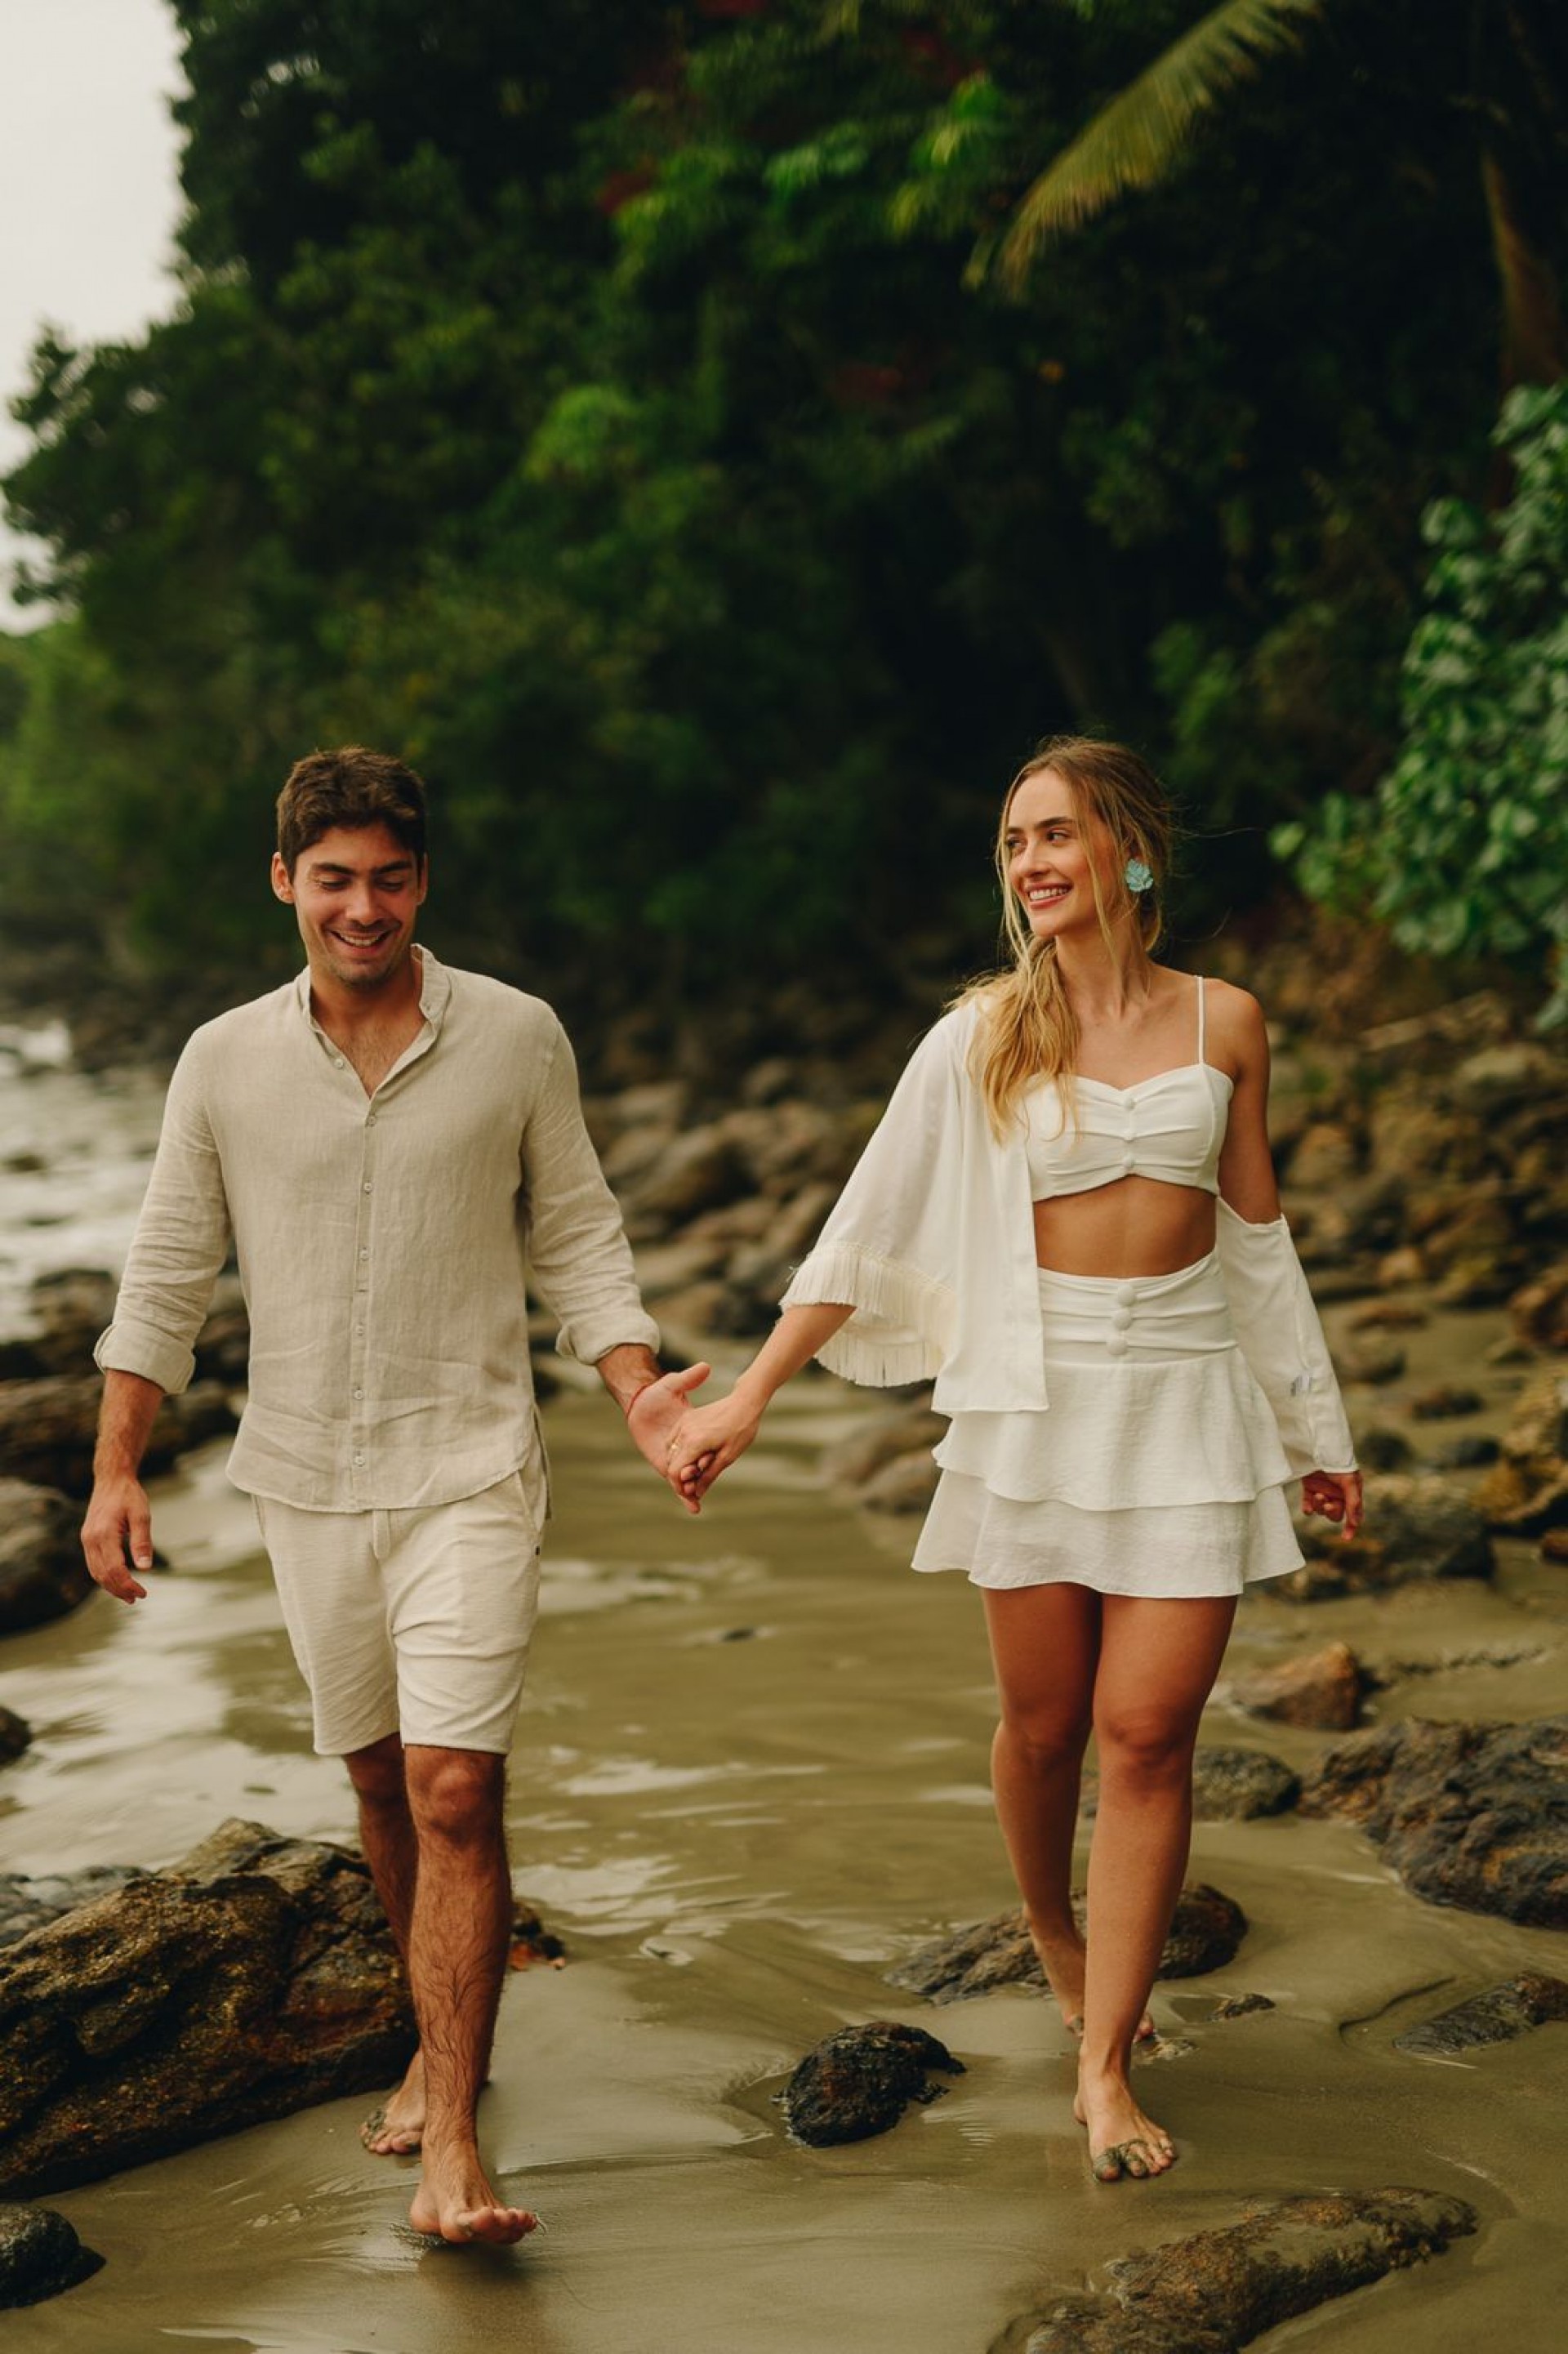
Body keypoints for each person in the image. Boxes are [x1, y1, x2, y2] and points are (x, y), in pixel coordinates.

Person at [668, 735, 1362, 2185]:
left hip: (1185, 1404)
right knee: (1046, 1730)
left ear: (1134, 851)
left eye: (1056, 834)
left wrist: (1316, 1430)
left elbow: (1256, 1240)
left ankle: (1105, 2064)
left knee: (1149, 1734)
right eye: (1012, 842)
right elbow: (863, 1228)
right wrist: (747, 1396)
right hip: (1034, 1409)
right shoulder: (983, 1034)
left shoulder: (1226, 1022)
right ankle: (1053, 1928)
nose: (1032, 862)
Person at [81, 746, 708, 2247]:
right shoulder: (221, 1059)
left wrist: (637, 1389)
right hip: (302, 1481)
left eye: (393, 879)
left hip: (471, 1467)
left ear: (424, 882)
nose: (365, 908)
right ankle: (433, 2049)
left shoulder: (515, 1037)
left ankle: (460, 2148)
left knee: (455, 1786)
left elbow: (580, 1238)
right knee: (378, 1785)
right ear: (285, 878)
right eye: (336, 879)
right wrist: (112, 1463)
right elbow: (167, 1272)